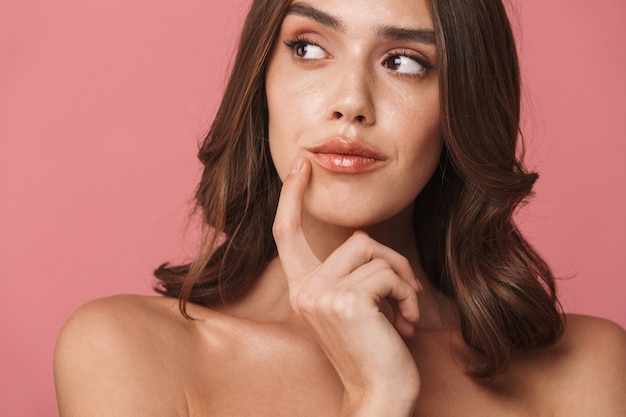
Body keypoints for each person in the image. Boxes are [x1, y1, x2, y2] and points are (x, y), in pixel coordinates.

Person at [53, 0, 626, 415]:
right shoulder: (127, 351)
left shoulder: (587, 371)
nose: (350, 102)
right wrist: (376, 398)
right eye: (309, 48)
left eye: (404, 62)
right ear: (262, 81)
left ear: (462, 106)